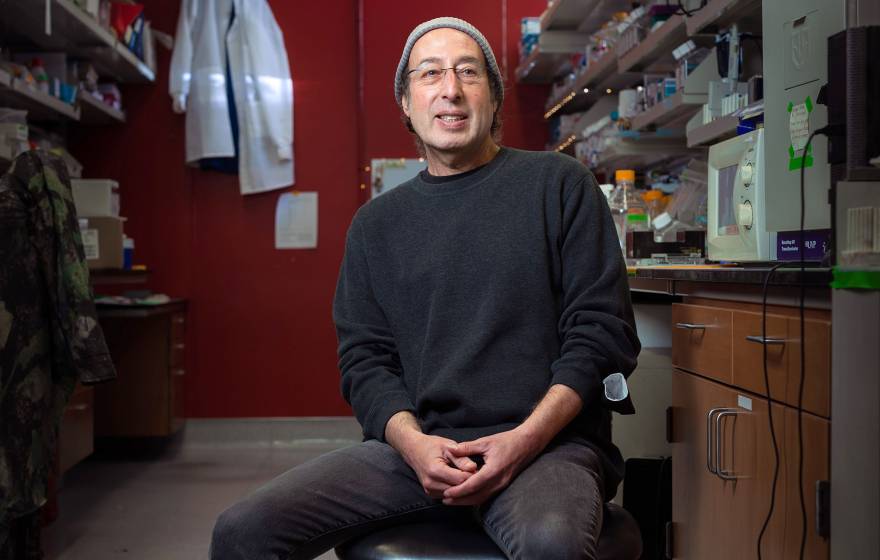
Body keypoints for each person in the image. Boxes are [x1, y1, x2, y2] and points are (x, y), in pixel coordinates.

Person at [210, 17, 640, 560]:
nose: (450, 89)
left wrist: (523, 441)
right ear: (406, 104)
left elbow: (601, 335)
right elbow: (365, 362)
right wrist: (414, 446)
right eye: (430, 73)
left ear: (494, 99)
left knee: (552, 544)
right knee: (241, 532)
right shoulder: (375, 226)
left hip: (547, 447)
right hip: (419, 450)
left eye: (468, 72)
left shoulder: (559, 185)